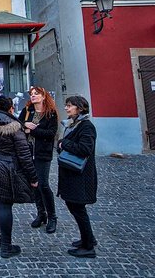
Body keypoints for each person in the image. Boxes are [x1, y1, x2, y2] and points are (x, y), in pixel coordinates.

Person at [0, 95, 38, 258]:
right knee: (5, 205)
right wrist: (33, 177)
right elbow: (24, 154)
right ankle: (6, 246)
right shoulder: (14, 126)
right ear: (10, 108)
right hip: (7, 169)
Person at [58, 95, 98, 258]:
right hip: (73, 173)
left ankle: (88, 246)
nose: (67, 108)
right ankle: (87, 238)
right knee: (75, 207)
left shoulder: (86, 126)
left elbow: (85, 149)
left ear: (80, 108)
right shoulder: (74, 125)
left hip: (80, 176)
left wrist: (63, 143)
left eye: (70, 106)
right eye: (66, 105)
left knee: (77, 208)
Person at [18, 86, 59, 233]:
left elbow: (51, 133)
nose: (33, 96)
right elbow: (17, 125)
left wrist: (33, 130)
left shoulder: (50, 113)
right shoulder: (28, 111)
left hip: (43, 153)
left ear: (43, 96)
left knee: (43, 184)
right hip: (28, 152)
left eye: (36, 94)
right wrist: (24, 125)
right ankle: (41, 214)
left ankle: (52, 217)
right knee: (34, 184)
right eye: (32, 94)